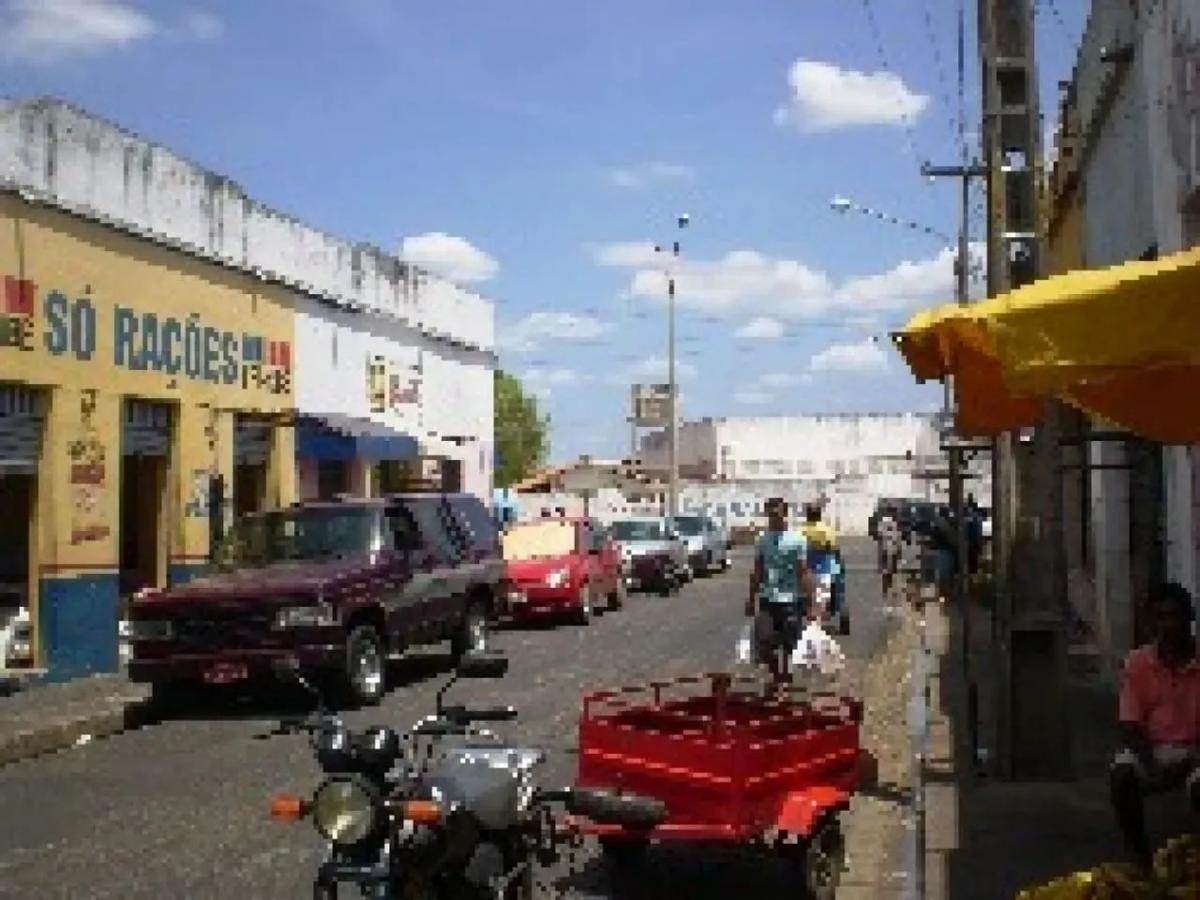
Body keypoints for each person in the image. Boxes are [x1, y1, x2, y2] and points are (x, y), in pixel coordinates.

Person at [1110, 582, 1200, 871]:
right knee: (1122, 775)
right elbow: (1130, 723)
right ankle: (1140, 857)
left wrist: (1191, 761)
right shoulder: (1138, 662)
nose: (1168, 626)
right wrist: (1152, 766)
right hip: (1154, 748)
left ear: (1190, 618)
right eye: (1161, 617)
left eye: (1175, 617)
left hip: (1196, 750)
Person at [746, 497, 819, 684]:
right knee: (763, 640)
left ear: (785, 514)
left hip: (791, 600)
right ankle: (776, 673)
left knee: (790, 644)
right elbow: (758, 570)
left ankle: (785, 677)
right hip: (768, 598)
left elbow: (804, 572)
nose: (773, 518)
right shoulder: (762, 539)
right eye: (770, 514)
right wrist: (751, 598)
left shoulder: (798, 539)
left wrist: (812, 602)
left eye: (776, 514)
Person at [878, 508, 902, 596]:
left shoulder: (885, 523)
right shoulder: (892, 524)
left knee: (888, 570)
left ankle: (887, 588)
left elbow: (880, 536)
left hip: (888, 549)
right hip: (889, 549)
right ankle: (888, 588)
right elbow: (896, 538)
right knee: (890, 570)